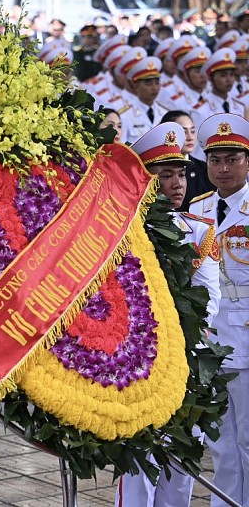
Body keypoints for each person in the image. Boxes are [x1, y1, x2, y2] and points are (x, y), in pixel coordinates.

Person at [115, 122, 220, 507]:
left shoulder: (197, 232)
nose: (177, 183)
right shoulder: (121, 233)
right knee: (139, 463)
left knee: (181, 462)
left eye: (181, 174)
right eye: (165, 175)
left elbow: (211, 300)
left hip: (187, 360)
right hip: (139, 362)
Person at [188, 113, 249, 507]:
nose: (222, 168)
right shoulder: (198, 208)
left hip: (247, 340)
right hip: (210, 342)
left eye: (232, 159)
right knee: (222, 445)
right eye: (215, 160)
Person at [161, 110, 215, 209]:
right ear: (168, 135)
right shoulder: (156, 170)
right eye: (184, 132)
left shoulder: (205, 169)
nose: (190, 137)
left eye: (193, 131)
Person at [120, 52, 173, 143]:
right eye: (148, 83)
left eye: (157, 83)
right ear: (136, 86)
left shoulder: (166, 113)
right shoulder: (125, 115)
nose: (154, 88)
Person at [203, 48, 248, 117]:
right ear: (210, 78)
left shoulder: (240, 106)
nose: (229, 80)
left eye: (232, 74)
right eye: (223, 75)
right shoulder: (202, 109)